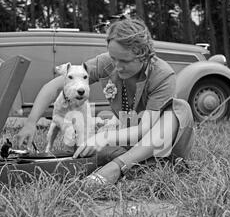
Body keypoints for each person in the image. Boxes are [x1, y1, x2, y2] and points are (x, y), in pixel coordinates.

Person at [16, 17, 194, 184]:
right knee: (87, 151)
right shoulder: (107, 63)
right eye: (113, 58)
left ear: (143, 55)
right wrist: (31, 122)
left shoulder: (163, 75)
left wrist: (105, 136)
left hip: (160, 144)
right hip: (127, 140)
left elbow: (144, 129)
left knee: (178, 109)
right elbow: (54, 86)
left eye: (124, 61)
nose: (116, 66)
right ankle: (132, 165)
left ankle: (116, 168)